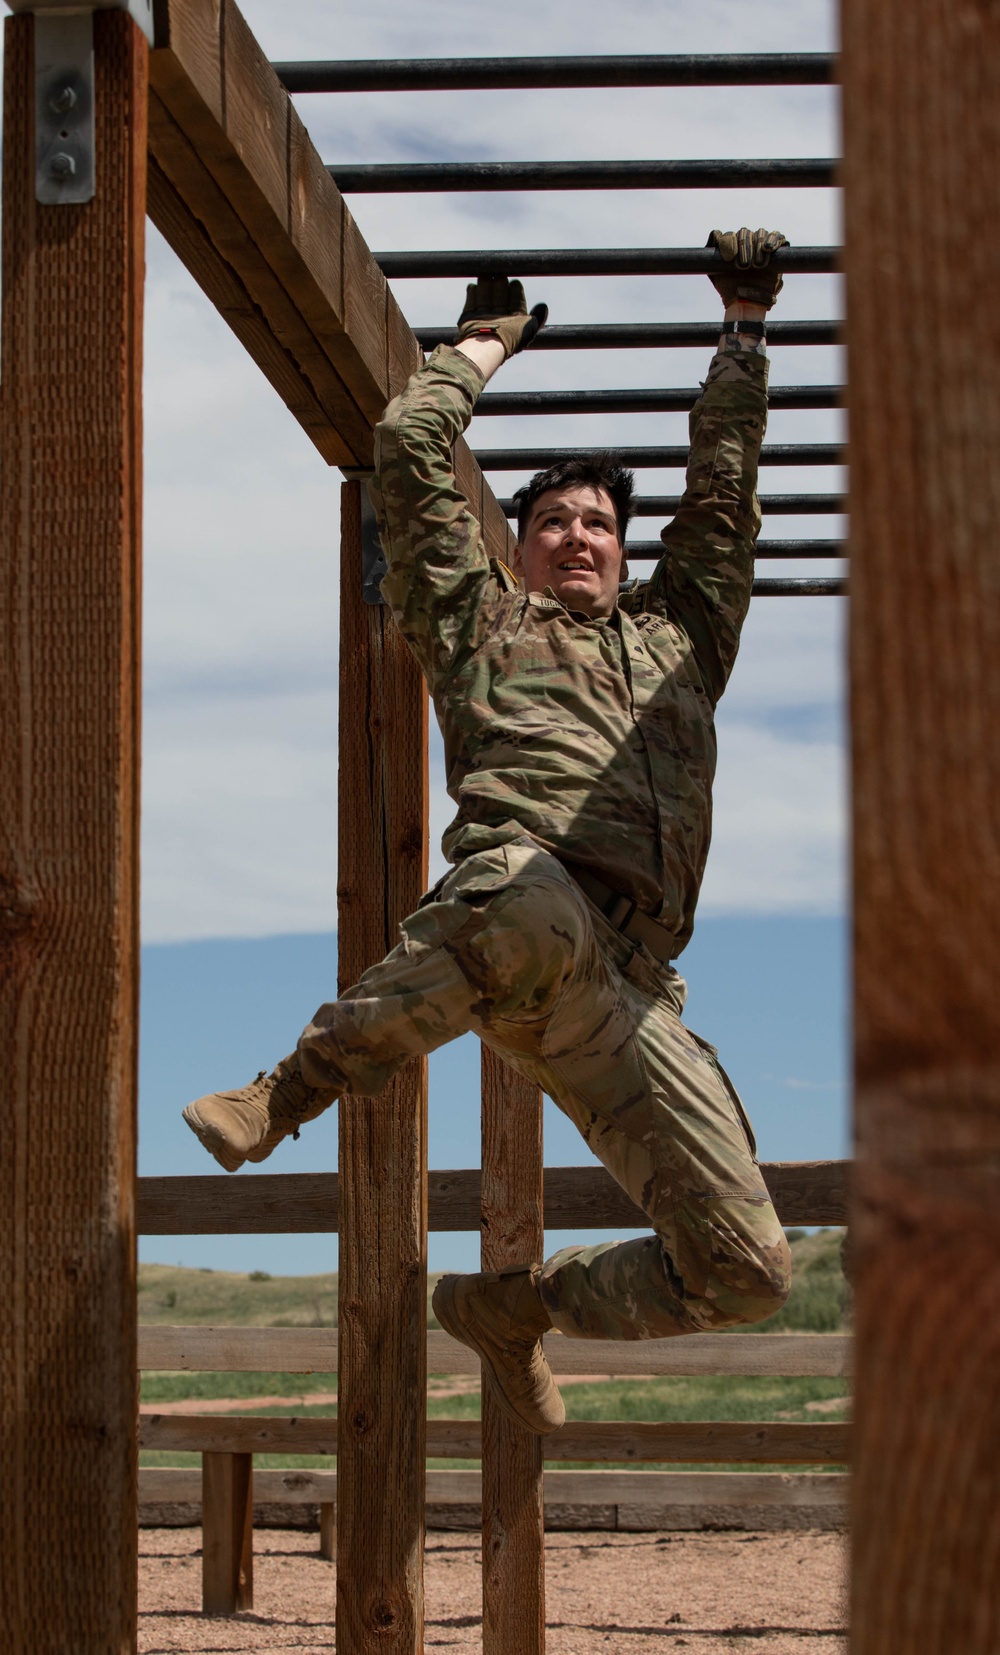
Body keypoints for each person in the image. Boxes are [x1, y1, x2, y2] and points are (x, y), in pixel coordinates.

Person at [183, 227, 793, 1435]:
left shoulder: (682, 643)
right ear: (515, 543)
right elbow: (410, 450)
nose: (579, 534)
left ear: (623, 552)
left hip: (629, 991)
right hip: (517, 916)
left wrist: (742, 326)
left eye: (599, 523)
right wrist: (475, 349)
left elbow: (722, 495)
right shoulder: (480, 628)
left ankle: (519, 1308)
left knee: (747, 1269)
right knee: (518, 880)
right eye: (554, 519)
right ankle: (287, 1090)